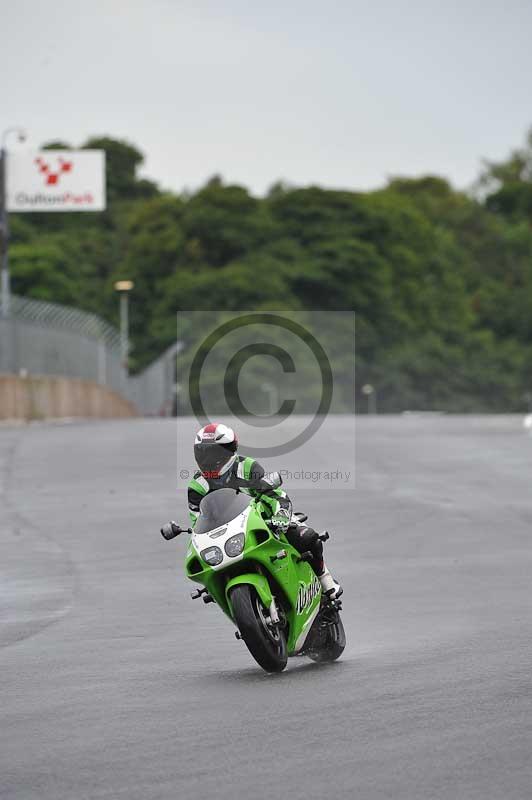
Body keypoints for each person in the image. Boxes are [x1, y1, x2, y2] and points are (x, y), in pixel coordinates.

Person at [186, 422, 342, 599]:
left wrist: (281, 514)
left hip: (263, 523)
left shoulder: (248, 467)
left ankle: (325, 579)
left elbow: (273, 495)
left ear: (228, 451)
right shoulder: (197, 486)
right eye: (202, 453)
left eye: (213, 453)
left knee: (307, 537)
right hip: (226, 536)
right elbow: (197, 521)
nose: (208, 460)